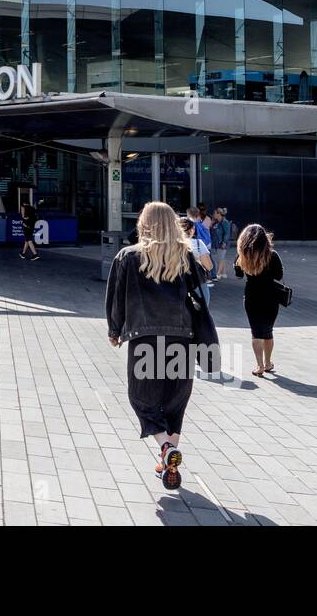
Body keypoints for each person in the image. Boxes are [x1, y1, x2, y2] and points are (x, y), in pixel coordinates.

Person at [104, 201, 205, 491]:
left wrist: (114, 330)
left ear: (144, 224)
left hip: (145, 339)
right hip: (182, 340)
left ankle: (165, 449)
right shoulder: (185, 256)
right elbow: (202, 294)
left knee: (143, 400)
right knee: (174, 404)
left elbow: (116, 297)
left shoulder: (127, 257)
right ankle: (167, 460)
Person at [234, 223, 284, 377]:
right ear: (264, 239)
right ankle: (268, 362)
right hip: (271, 297)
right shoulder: (272, 255)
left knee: (256, 333)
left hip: (251, 297)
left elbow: (238, 275)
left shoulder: (243, 255)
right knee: (268, 331)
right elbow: (279, 276)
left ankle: (259, 365)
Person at [180, 216, 213, 306]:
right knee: (202, 307)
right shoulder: (198, 244)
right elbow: (209, 266)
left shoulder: (172, 245)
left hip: (179, 281)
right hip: (197, 280)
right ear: (192, 229)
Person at [210, 208, 233, 280]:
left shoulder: (225, 222)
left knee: (220, 258)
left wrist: (224, 242)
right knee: (221, 258)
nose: (213, 215)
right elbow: (212, 230)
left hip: (221, 243)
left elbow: (227, 233)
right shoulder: (216, 222)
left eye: (214, 213)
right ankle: (223, 273)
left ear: (218, 214)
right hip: (216, 243)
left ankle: (218, 274)